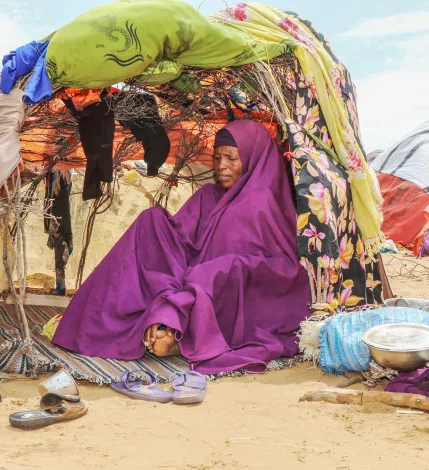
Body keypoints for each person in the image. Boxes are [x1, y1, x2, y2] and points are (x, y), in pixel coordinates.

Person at [52, 120, 312, 374]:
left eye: (231, 158)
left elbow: (283, 268)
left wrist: (223, 270)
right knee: (151, 222)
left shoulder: (263, 202)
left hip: (237, 298)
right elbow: (181, 241)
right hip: (195, 282)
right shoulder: (208, 196)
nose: (221, 166)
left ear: (253, 159)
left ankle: (180, 333)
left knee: (214, 271)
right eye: (217, 157)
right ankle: (115, 321)